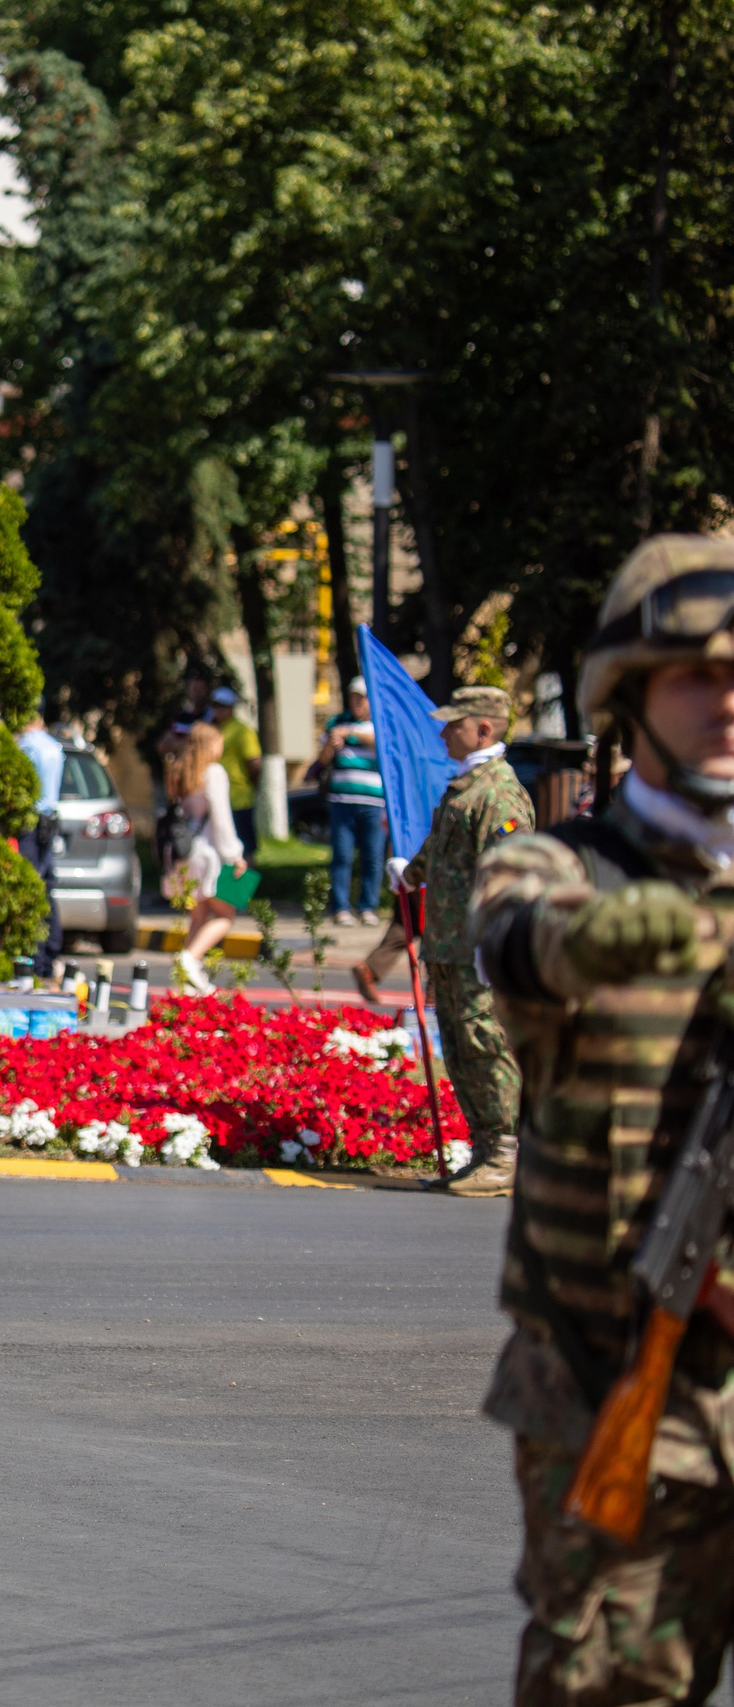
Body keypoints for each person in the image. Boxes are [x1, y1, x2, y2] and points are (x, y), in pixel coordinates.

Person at [468, 534, 734, 1706]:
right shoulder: (563, 869)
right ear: (628, 694)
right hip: (620, 1380)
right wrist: (611, 940)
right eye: (696, 675)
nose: (727, 701)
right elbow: (517, 945)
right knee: (614, 1686)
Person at [390, 684, 532, 1196]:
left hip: (476, 948)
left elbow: (510, 874)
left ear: (484, 729)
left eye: (455, 724)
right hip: (450, 945)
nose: (444, 733)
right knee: (460, 1046)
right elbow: (443, 851)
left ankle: (505, 1155)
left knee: (486, 1045)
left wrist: (495, 941)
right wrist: (410, 874)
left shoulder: (499, 793)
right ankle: (483, 1152)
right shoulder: (468, 788)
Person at [165, 721, 246, 991]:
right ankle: (190, 959)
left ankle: (189, 982)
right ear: (210, 745)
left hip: (184, 852)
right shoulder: (214, 772)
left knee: (198, 917)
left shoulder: (181, 771)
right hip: (209, 852)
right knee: (226, 915)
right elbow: (222, 819)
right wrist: (235, 855)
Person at [315, 676, 388, 925]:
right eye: (353, 697)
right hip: (342, 800)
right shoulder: (336, 722)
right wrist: (332, 745)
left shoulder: (380, 723)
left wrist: (351, 733)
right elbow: (322, 760)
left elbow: (384, 747)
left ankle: (368, 906)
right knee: (342, 856)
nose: (357, 702)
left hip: (374, 803)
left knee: (372, 856)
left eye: (362, 698)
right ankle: (341, 907)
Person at [17, 711, 67, 972]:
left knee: (31, 886)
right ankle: (50, 951)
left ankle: (34, 956)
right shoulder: (52, 745)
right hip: (50, 820)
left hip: (32, 823)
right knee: (46, 885)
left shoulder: (27, 745)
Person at [208, 685, 263, 856]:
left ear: (231, 708)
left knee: (245, 847)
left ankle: (247, 875)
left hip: (239, 798)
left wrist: (251, 785)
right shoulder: (211, 729)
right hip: (216, 797)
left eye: (223, 706)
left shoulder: (242, 731)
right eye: (215, 705)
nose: (218, 710)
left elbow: (254, 763)